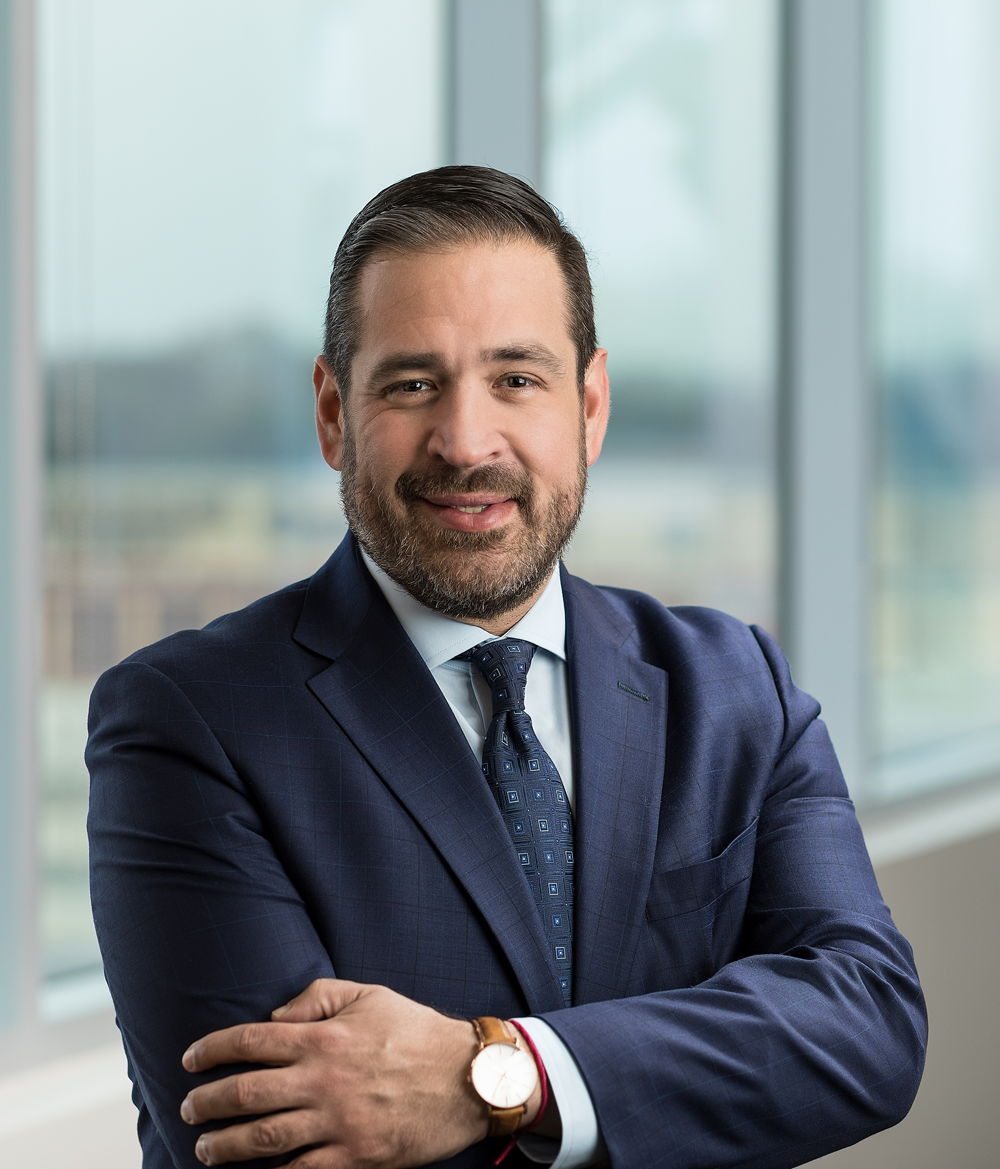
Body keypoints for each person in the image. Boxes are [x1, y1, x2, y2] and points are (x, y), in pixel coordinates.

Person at [87, 166, 926, 1169]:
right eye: (412, 383)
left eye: (516, 379)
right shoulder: (188, 720)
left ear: (590, 406)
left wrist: (499, 1073)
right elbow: (268, 1144)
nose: (465, 441)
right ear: (333, 412)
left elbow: (867, 1025)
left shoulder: (736, 685)